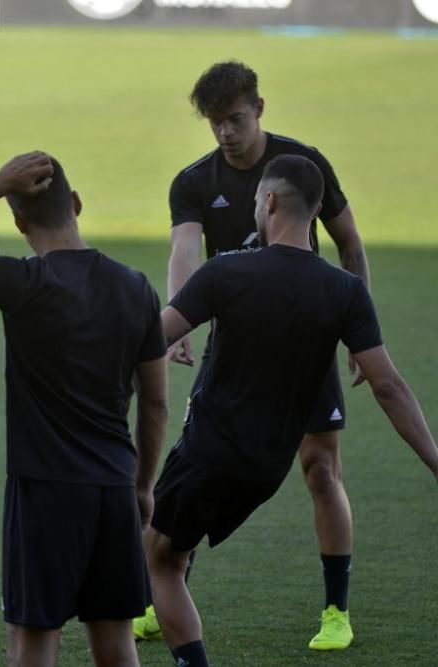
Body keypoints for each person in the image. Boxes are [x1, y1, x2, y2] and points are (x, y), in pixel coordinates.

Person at [144, 154, 438, 666]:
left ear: (270, 201)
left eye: (258, 198)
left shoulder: (226, 272)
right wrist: (435, 461)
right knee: (172, 545)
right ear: (319, 209)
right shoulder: (345, 292)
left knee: (158, 559)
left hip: (207, 454)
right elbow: (389, 386)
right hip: (266, 470)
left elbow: (155, 339)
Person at [136, 60, 372, 650]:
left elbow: (348, 243)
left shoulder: (301, 166)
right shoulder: (194, 182)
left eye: (235, 119)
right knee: (202, 463)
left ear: (259, 109)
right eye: (215, 123)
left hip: (306, 341)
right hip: (239, 344)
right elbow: (185, 249)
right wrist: (179, 313)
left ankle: (336, 613)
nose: (225, 133)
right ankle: (160, 591)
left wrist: (361, 334)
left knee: (320, 470)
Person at [0, 152, 169, 667]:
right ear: (76, 203)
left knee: (32, 644)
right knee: (117, 644)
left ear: (18, 221)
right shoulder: (136, 287)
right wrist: (141, 485)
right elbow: (157, 402)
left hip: (45, 490)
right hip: (114, 488)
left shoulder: (23, 284)